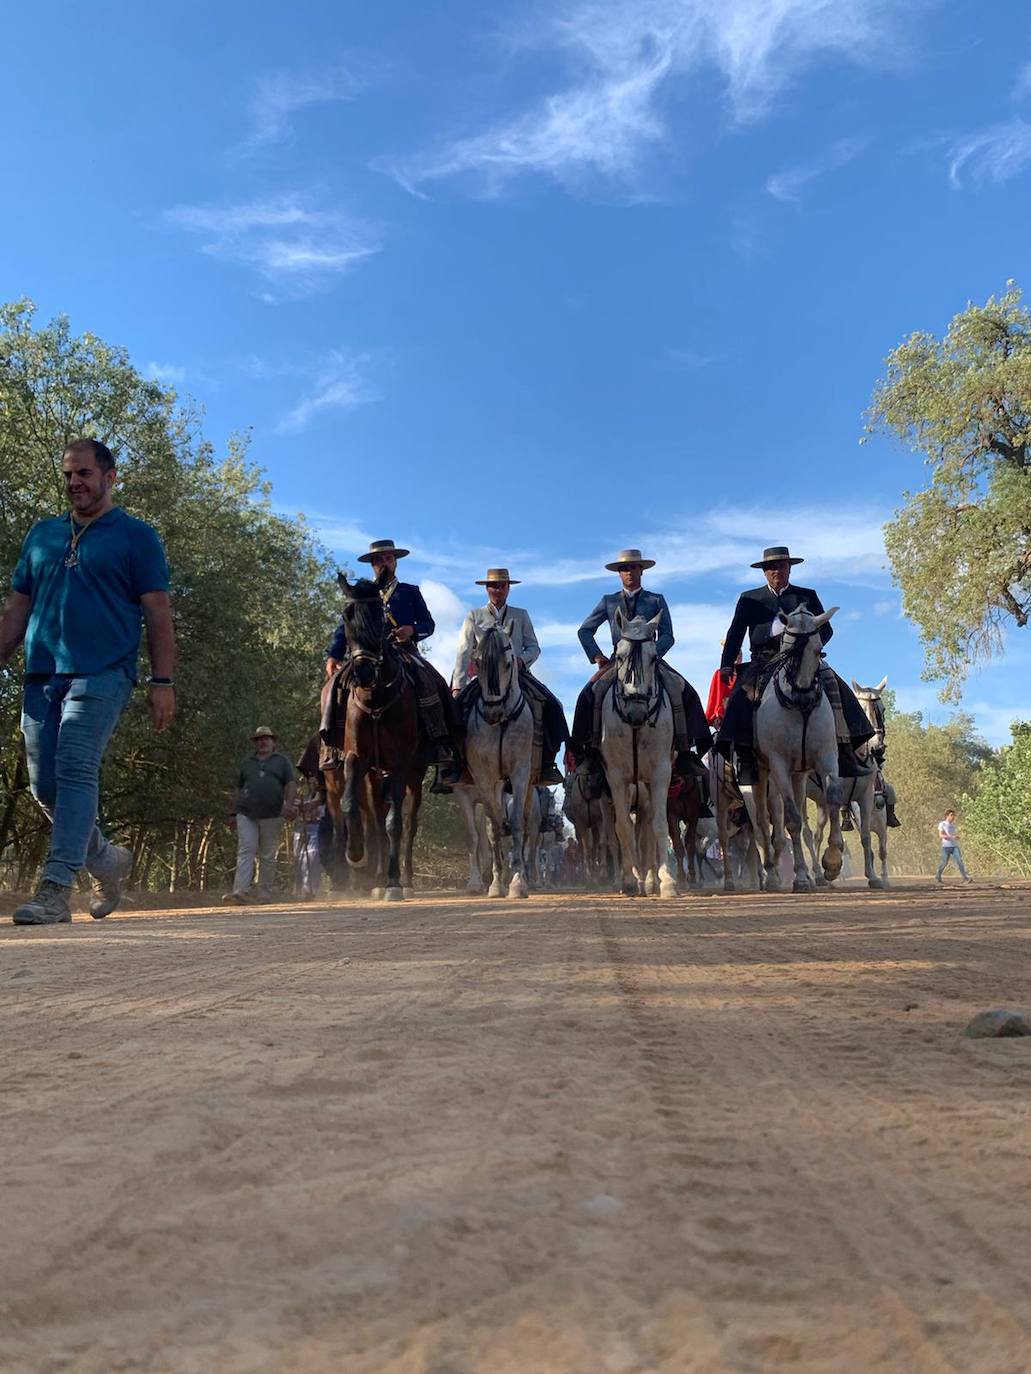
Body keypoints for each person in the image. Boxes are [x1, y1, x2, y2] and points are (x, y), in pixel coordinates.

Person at [0, 438, 177, 925]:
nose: (74, 483)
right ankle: (106, 859)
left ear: (110, 476)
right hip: (41, 675)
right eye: (68, 476)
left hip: (103, 672)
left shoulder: (136, 537)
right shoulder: (41, 536)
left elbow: (158, 615)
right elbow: (17, 610)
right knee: (45, 786)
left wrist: (163, 681)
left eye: (84, 474)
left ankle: (55, 890)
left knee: (77, 766)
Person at [569, 548, 712, 814]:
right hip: (619, 660)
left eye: (634, 568)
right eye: (624, 569)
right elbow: (584, 630)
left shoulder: (656, 599)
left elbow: (668, 634)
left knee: (684, 689)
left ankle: (686, 752)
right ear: (619, 573)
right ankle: (587, 752)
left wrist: (653, 654)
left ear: (641, 571)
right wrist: (598, 656)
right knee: (589, 693)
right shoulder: (608, 601)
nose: (629, 573)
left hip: (650, 658)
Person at [716, 545, 874, 785]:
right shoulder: (749, 598)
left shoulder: (806, 595)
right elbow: (735, 632)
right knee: (740, 696)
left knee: (835, 684)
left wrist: (810, 647)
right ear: (764, 572)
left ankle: (844, 749)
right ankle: (745, 756)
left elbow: (827, 629)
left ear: (789, 568)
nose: (776, 571)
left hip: (802, 659)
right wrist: (726, 663)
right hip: (763, 657)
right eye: (771, 567)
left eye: (781, 565)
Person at [325, 538, 463, 793]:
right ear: (373, 565)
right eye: (378, 560)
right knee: (334, 686)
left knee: (435, 683)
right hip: (368, 652)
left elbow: (428, 624)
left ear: (395, 562)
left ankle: (443, 748)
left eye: (388, 558)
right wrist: (333, 655)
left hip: (403, 651)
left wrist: (412, 630)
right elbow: (345, 626)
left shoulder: (409, 591)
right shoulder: (362, 592)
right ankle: (329, 746)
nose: (383, 563)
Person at [452, 567, 567, 785]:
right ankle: (455, 766)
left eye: (502, 585)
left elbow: (534, 647)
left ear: (508, 588)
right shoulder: (474, 616)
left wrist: (521, 661)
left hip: (517, 674)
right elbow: (464, 651)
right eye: (493, 585)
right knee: (456, 709)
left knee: (553, 705)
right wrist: (458, 685)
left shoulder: (521, 615)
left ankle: (546, 764)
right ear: (487, 589)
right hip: (484, 677)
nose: (498, 589)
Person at [224, 726, 297, 905]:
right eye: (259, 739)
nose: (262, 742)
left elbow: (291, 784)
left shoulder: (282, 761)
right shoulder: (247, 763)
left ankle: (265, 894)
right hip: (246, 812)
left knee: (267, 854)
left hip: (273, 813)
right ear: (255, 743)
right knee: (246, 849)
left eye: (266, 739)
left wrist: (288, 805)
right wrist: (232, 812)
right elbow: (238, 789)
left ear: (273, 742)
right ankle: (240, 892)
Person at [936, 809, 973, 884]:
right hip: (946, 846)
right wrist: (952, 837)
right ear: (947, 816)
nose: (953, 817)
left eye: (954, 815)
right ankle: (938, 875)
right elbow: (941, 835)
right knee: (944, 862)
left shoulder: (953, 825)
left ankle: (965, 877)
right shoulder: (942, 824)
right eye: (951, 815)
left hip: (954, 846)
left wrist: (956, 837)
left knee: (959, 861)